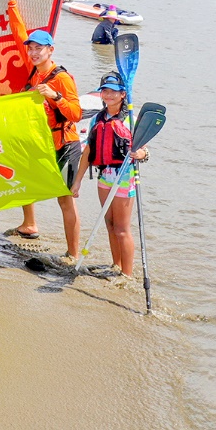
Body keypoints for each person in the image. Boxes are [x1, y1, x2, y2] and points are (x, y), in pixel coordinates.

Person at [4, 0, 83, 262]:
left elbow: (76, 113)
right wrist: (12, 1)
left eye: (40, 48)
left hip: (66, 144)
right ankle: (29, 224)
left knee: (65, 200)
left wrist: (54, 96)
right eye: (31, 48)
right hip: (42, 142)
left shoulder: (61, 78)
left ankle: (72, 254)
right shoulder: (33, 70)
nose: (34, 52)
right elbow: (18, 34)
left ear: (51, 50)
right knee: (23, 177)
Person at [80, 71, 149, 276]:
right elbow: (88, 152)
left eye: (114, 91)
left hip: (124, 178)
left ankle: (126, 276)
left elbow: (145, 151)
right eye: (105, 91)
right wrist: (76, 183)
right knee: (110, 225)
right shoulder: (97, 119)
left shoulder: (131, 120)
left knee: (121, 229)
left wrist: (140, 153)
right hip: (104, 177)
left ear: (122, 94)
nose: (109, 95)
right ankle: (116, 266)